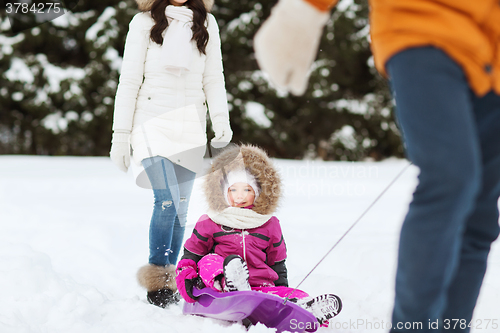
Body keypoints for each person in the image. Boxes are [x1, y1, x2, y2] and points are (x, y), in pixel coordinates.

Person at [253, 0, 500, 332]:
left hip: (493, 56)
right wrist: (306, 9)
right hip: (423, 24)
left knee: (480, 213)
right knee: (451, 180)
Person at [109, 0, 232, 308]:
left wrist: (221, 120)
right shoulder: (143, 23)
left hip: (189, 127)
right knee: (165, 200)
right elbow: (129, 81)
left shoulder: (206, 24)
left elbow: (213, 78)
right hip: (150, 123)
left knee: (179, 206)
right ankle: (158, 282)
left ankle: (171, 279)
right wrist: (120, 136)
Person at [175, 144, 342, 326]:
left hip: (260, 288)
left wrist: (282, 294)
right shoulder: (211, 221)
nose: (239, 196)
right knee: (209, 260)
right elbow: (192, 255)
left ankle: (305, 307)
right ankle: (231, 282)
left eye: (246, 190)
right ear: (224, 192)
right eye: (233, 190)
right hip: (218, 289)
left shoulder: (268, 224)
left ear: (257, 193)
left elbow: (277, 263)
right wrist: (187, 277)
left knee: (292, 293)